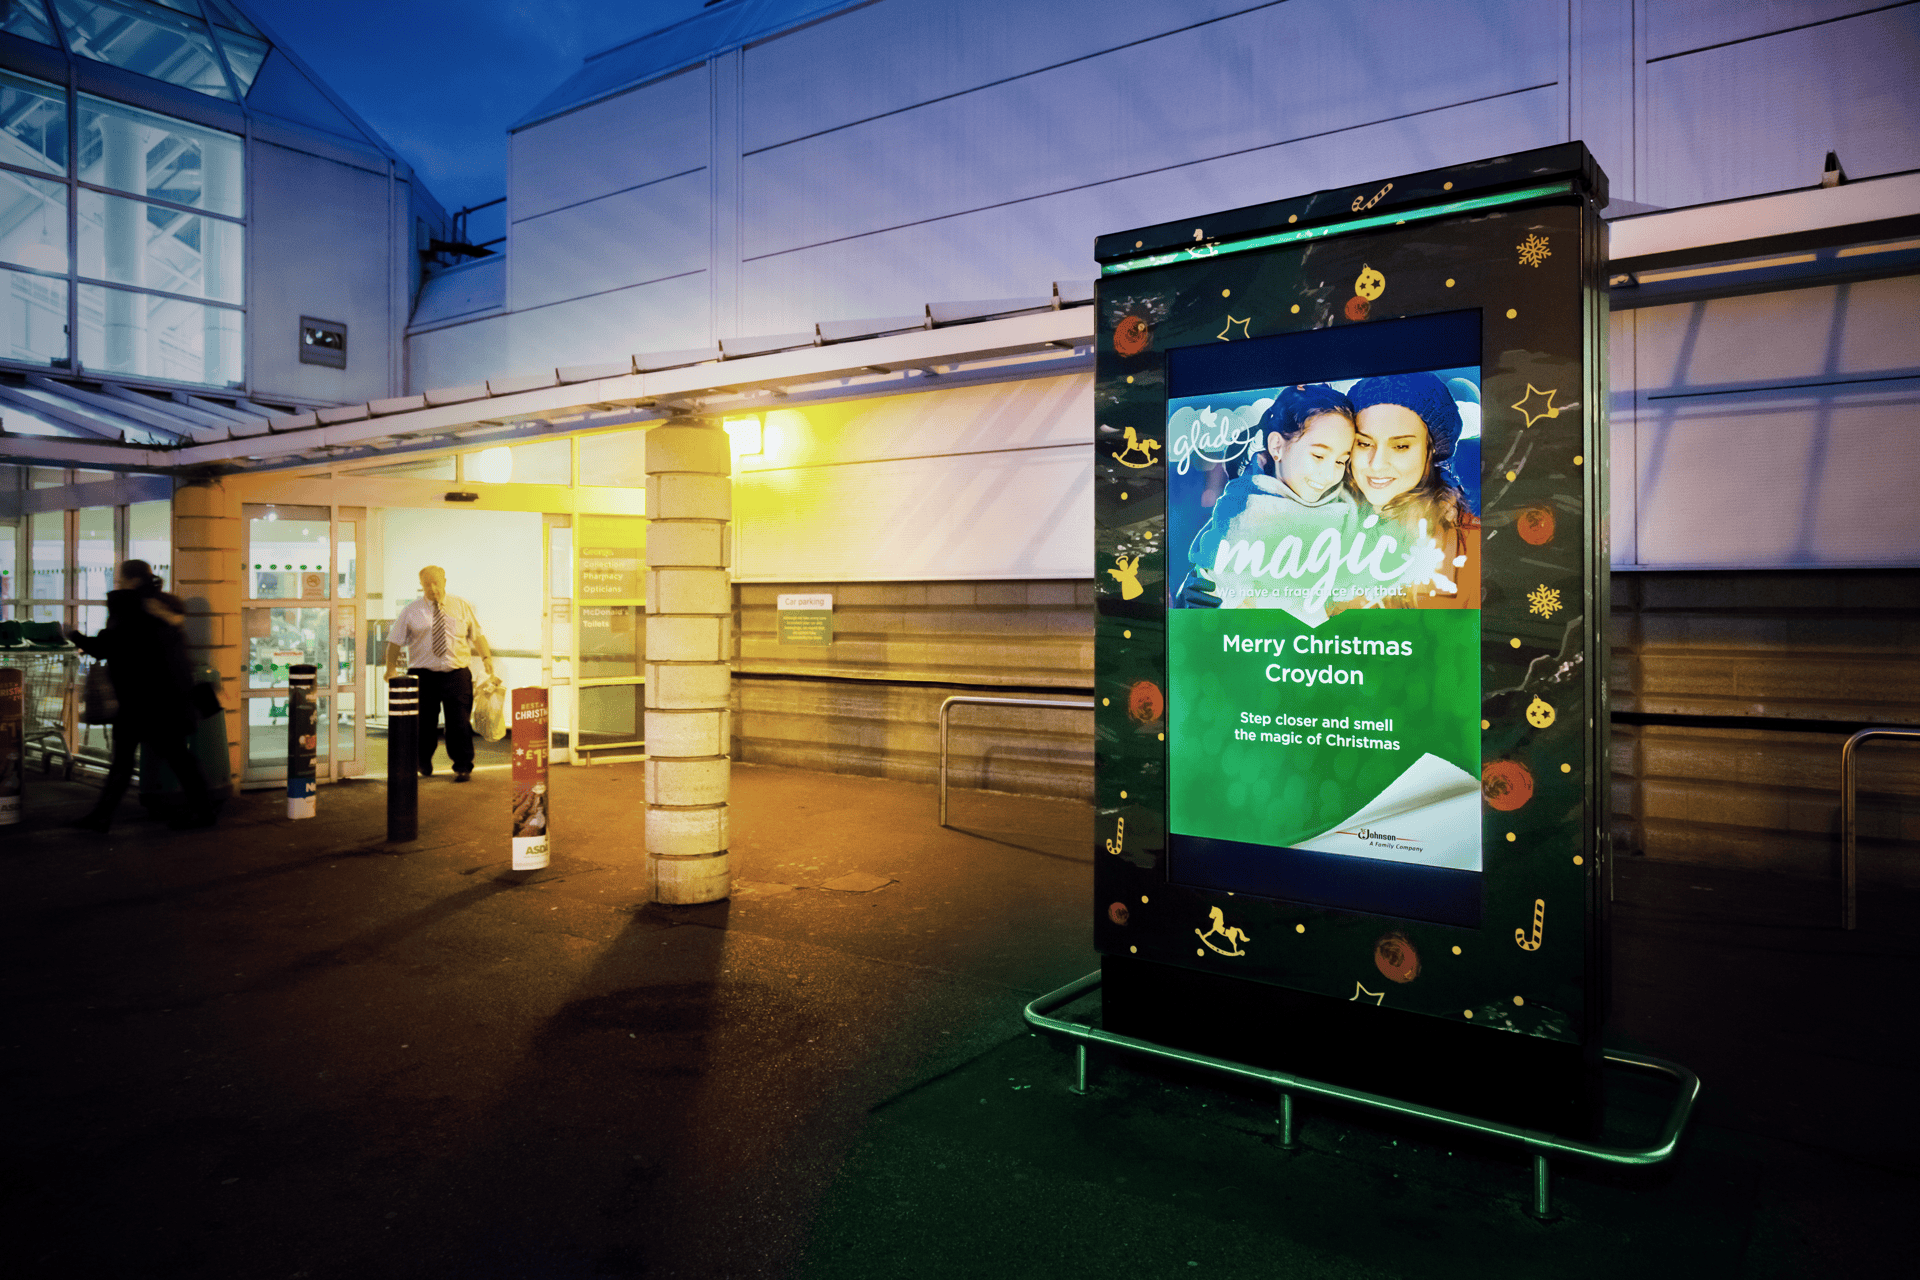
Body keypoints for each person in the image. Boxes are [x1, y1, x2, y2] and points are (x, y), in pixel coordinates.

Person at [1176, 383, 1360, 616]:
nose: (1329, 474)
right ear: (1276, 446)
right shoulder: (1240, 510)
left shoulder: (1349, 508)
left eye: (1341, 461)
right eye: (1318, 455)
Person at [68, 560, 215, 831]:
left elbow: (106, 647)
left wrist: (72, 634)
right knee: (176, 758)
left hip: (140, 699)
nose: (117, 583)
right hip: (167, 697)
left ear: (133, 580)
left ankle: (102, 817)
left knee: (133, 761)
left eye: (120, 578)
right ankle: (203, 812)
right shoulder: (164, 606)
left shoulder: (129, 608)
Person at [1343, 372, 1481, 609]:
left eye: (1400, 446)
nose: (1377, 464)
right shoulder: (1313, 528)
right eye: (1364, 443)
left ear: (1431, 451)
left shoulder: (1473, 547)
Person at [384, 566, 494, 781]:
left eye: (436, 582)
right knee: (423, 724)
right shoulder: (411, 610)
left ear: (444, 581)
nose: (432, 588)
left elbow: (477, 635)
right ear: (421, 585)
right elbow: (395, 641)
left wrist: (486, 658)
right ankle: (422, 761)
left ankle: (463, 766)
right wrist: (390, 667)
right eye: (427, 584)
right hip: (423, 676)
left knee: (460, 723)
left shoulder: (461, 605)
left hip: (457, 674)